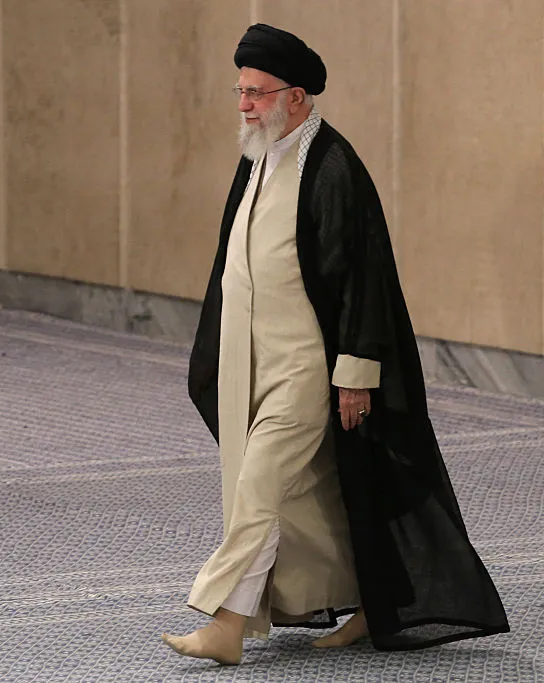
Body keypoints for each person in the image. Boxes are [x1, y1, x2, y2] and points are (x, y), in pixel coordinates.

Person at [160, 23, 509, 665]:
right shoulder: (261, 152)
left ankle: (225, 621)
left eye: (257, 94)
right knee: (314, 491)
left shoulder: (333, 167)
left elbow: (363, 277)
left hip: (303, 366)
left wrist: (355, 371)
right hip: (247, 361)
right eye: (240, 91)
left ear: (296, 97)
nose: (244, 105)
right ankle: (375, 596)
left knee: (259, 488)